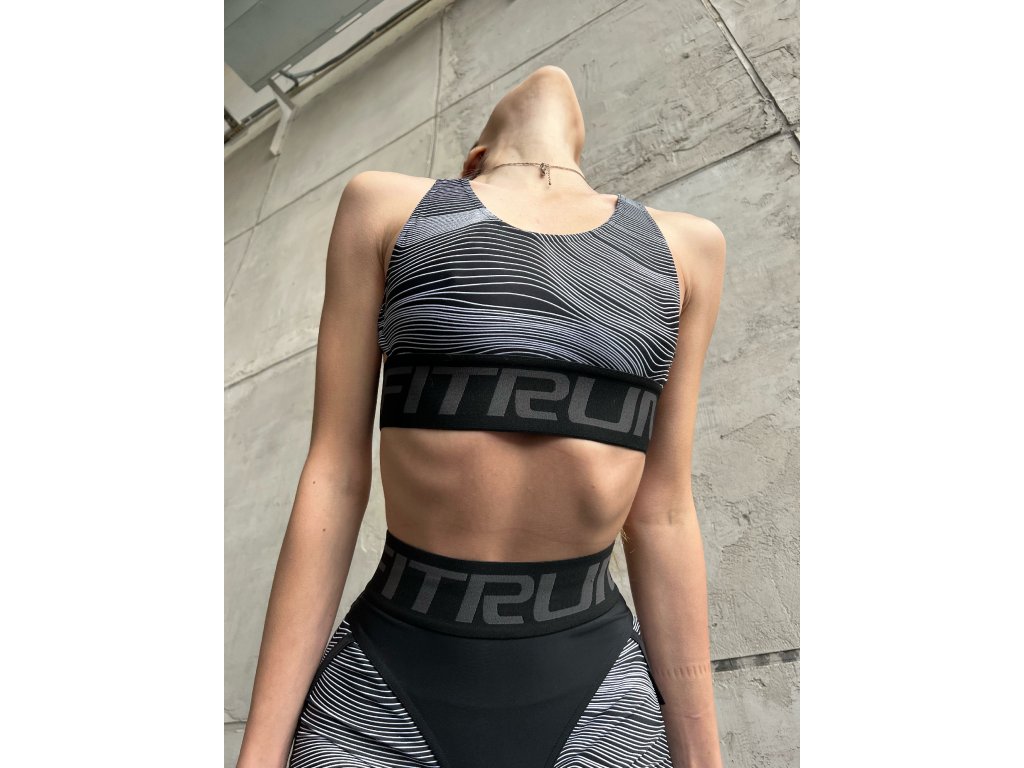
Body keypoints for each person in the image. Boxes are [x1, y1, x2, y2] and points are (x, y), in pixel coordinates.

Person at [235, 64, 727, 768]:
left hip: (597, 704)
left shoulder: (687, 249)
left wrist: (702, 758)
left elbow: (664, 513)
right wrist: (260, 751)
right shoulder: (387, 207)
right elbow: (335, 475)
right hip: (379, 696)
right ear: (474, 160)